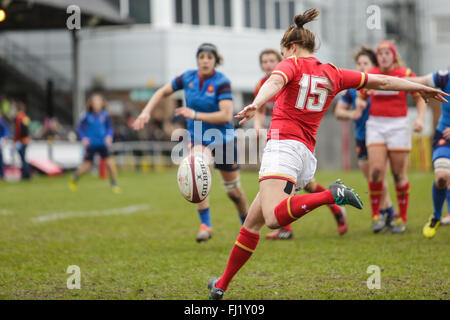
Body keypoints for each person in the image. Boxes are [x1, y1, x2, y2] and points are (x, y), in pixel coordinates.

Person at [207, 9, 448, 300]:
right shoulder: (332, 71)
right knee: (252, 225)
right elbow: (382, 81)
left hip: (284, 147)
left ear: (292, 48)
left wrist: (257, 103)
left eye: (284, 52)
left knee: (272, 219)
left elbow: (273, 82)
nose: (283, 58)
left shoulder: (291, 64)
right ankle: (221, 284)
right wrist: (419, 87)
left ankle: (331, 195)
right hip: (304, 155)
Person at [132, 43, 249, 243]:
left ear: (214, 61)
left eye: (209, 57)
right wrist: (146, 111)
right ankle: (205, 225)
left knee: (233, 192)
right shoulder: (188, 78)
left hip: (223, 140)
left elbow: (226, 115)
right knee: (197, 171)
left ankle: (247, 225)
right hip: (198, 139)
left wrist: (194, 114)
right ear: (197, 59)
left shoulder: (222, 82)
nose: (204, 60)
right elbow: (162, 92)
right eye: (201, 56)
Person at [255, 49, 348, 239]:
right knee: (279, 185)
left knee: (305, 186)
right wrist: (257, 126)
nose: (268, 65)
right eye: (264, 62)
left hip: (296, 142)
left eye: (272, 60)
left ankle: (336, 209)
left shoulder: (290, 78)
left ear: (280, 60)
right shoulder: (263, 85)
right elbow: (259, 109)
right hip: (279, 141)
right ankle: (287, 228)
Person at [358, 40, 427, 234]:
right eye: (380, 53)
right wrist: (359, 104)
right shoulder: (372, 75)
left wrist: (420, 119)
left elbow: (420, 96)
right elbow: (361, 95)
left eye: (388, 53)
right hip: (376, 125)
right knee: (376, 171)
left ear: (394, 55)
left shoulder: (405, 75)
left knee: (398, 174)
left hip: (398, 125)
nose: (384, 56)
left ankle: (402, 218)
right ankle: (376, 216)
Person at [335, 47, 395, 233]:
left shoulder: (381, 85)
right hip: (362, 138)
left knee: (379, 175)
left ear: (374, 65)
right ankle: (388, 213)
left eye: (365, 64)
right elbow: (338, 111)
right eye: (358, 64)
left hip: (380, 137)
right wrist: (354, 113)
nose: (361, 67)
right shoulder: (352, 89)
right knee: (372, 178)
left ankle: (383, 215)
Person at [405, 69, 450, 238]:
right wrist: (387, 80)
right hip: (445, 136)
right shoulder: (444, 77)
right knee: (442, 177)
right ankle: (436, 216)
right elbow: (418, 80)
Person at [69, 93, 120, 193]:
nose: (97, 103)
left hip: (103, 144)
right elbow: (80, 129)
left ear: (102, 103)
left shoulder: (105, 115)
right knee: (86, 167)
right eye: (95, 102)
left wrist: (109, 136)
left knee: (110, 164)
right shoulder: (86, 115)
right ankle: (74, 177)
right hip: (91, 144)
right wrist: (83, 138)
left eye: (99, 101)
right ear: (91, 103)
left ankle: (114, 185)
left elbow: (109, 128)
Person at [14, 103, 31, 180]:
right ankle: (26, 174)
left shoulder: (19, 118)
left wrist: (16, 140)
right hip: (26, 140)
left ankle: (25, 175)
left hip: (21, 141)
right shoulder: (25, 117)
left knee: (22, 159)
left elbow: (19, 131)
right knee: (24, 158)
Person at [0, 111, 10, 179]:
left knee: (0, 158)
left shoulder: (1, 121)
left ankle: (2, 174)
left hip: (0, 141)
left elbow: (6, 131)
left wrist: (3, 139)